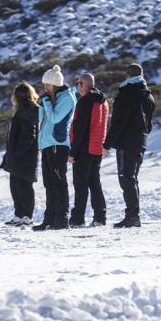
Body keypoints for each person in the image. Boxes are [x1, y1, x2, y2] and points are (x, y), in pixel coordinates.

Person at [104, 63, 156, 228]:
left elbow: (119, 121)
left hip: (127, 142)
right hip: (140, 141)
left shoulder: (127, 93)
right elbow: (149, 122)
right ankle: (133, 215)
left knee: (126, 178)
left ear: (127, 75)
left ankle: (132, 216)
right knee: (132, 178)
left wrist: (108, 143)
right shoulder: (148, 94)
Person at [33, 65, 77, 231]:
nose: (45, 88)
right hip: (47, 144)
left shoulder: (67, 98)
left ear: (56, 84)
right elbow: (43, 119)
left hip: (58, 145)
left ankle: (62, 218)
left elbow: (56, 118)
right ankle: (49, 218)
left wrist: (45, 101)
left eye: (48, 85)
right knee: (49, 183)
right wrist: (42, 106)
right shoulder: (52, 98)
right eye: (44, 85)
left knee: (59, 182)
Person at [68, 73, 109, 227]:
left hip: (84, 149)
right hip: (97, 148)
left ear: (82, 85)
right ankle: (100, 217)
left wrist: (73, 153)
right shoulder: (103, 102)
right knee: (94, 184)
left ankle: (78, 219)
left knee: (81, 185)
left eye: (78, 83)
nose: (78, 86)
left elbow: (80, 129)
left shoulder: (85, 101)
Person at [1, 83, 40, 227]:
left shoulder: (28, 110)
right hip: (19, 156)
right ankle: (19, 215)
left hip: (24, 157)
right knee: (17, 186)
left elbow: (29, 135)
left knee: (23, 186)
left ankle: (26, 216)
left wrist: (17, 153)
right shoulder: (25, 109)